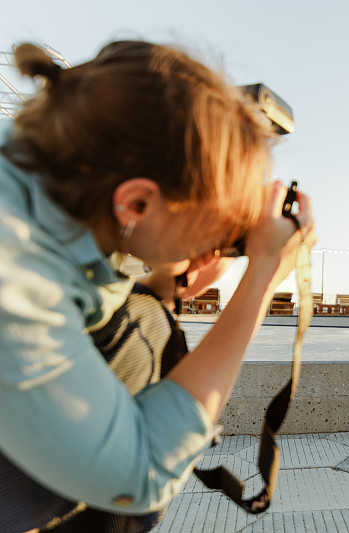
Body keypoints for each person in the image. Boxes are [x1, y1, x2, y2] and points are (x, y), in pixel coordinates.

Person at [0, 41, 314, 532]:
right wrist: (261, 278)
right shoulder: (13, 277)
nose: (223, 236)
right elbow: (141, 471)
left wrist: (166, 285)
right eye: (215, 221)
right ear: (137, 203)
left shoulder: (48, 156)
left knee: (146, 319)